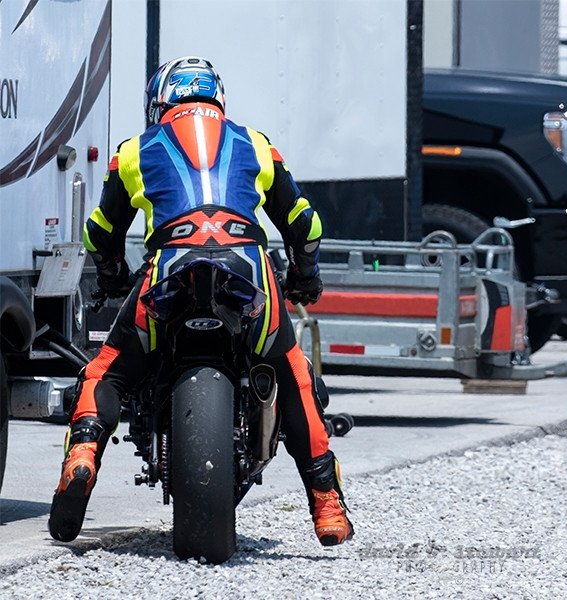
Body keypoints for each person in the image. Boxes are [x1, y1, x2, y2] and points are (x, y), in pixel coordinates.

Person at [48, 56, 353, 547]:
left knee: (108, 370)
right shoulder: (257, 144)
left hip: (170, 269)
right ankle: (326, 503)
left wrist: (111, 276)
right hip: (246, 268)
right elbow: (305, 224)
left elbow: (100, 232)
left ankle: (83, 456)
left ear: (158, 104)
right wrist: (305, 277)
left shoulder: (131, 152)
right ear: (218, 99)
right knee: (293, 370)